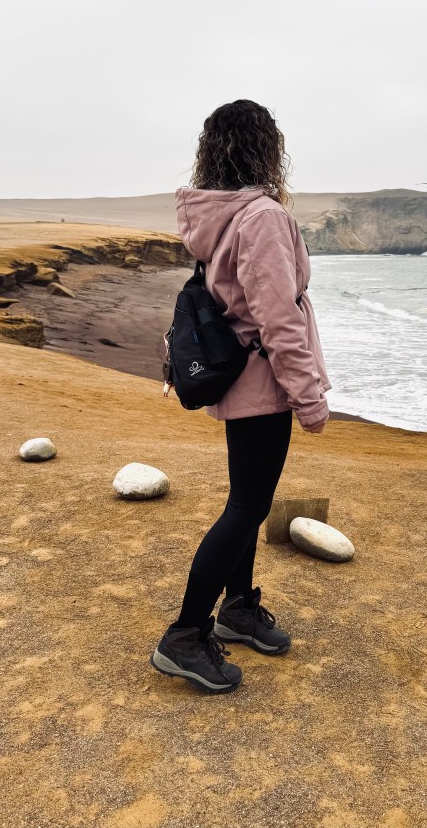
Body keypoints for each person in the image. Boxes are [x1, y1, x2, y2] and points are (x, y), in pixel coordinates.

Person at [151, 99, 331, 694]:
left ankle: (239, 609)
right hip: (264, 381)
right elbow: (277, 316)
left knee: (249, 500)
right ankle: (184, 635)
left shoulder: (221, 215)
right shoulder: (260, 217)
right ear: (266, 148)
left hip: (241, 377)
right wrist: (308, 395)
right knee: (246, 508)